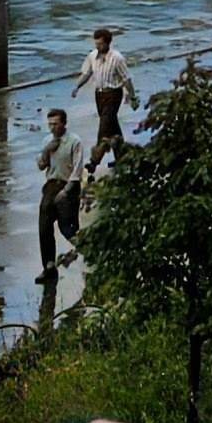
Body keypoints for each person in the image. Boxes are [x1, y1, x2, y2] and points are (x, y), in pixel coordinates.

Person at [34, 109, 84, 284]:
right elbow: (41, 165)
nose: (53, 127)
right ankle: (48, 267)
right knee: (44, 227)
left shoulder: (74, 141)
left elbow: (77, 169)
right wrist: (47, 150)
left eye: (56, 124)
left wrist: (67, 191)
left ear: (64, 123)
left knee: (67, 228)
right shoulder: (47, 141)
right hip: (50, 186)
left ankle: (92, 252)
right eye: (50, 124)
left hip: (68, 186)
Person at [74, 28, 134, 168]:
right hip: (99, 95)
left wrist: (132, 95)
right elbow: (86, 73)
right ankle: (122, 157)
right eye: (96, 44)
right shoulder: (92, 56)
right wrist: (77, 86)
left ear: (108, 43)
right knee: (113, 127)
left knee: (104, 127)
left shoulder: (117, 58)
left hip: (113, 94)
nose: (98, 47)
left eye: (100, 44)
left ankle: (94, 161)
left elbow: (126, 79)